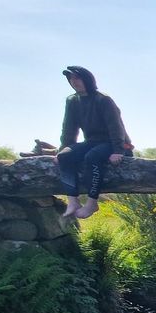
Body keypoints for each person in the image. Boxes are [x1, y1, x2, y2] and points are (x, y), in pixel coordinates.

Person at [55, 66, 129, 219]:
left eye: (77, 78)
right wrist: (64, 148)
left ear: (87, 79)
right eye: (71, 79)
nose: (74, 81)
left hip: (112, 142)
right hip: (91, 141)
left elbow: (115, 126)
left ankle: (91, 203)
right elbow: (69, 128)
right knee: (64, 156)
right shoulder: (72, 100)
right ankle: (73, 201)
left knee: (92, 157)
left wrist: (118, 150)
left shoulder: (103, 99)